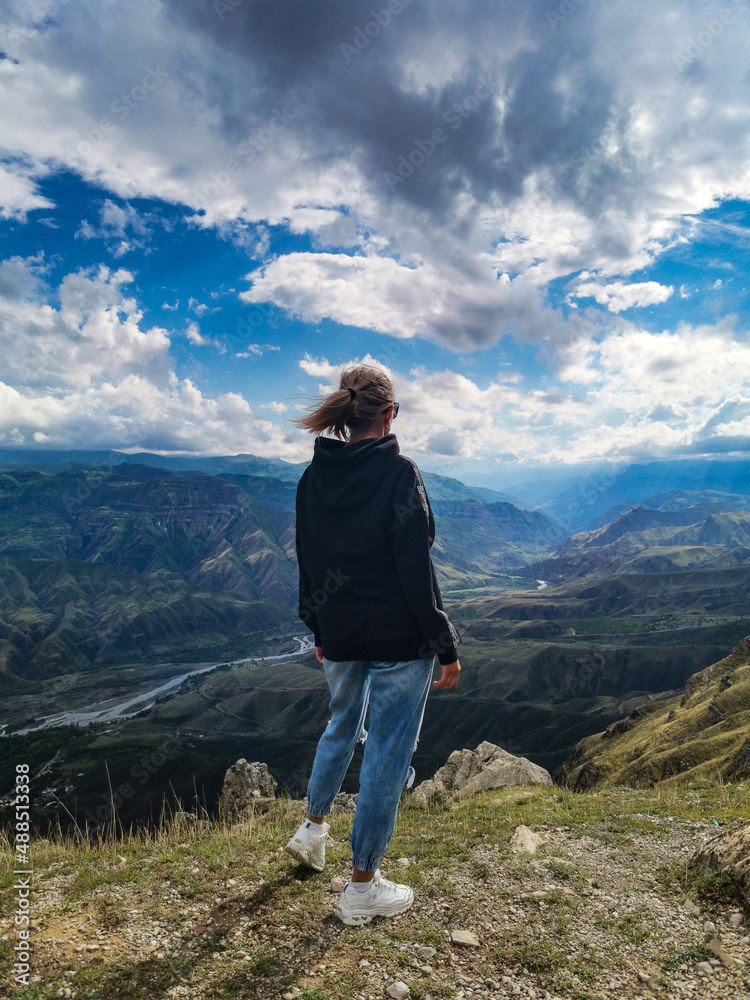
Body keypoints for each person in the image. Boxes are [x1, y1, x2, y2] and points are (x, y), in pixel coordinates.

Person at [282, 364, 461, 925]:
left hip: (339, 634)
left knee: (340, 723)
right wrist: (444, 641)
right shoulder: (399, 474)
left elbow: (308, 561)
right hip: (398, 639)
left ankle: (313, 831)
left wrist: (319, 629)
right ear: (389, 414)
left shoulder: (313, 479)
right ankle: (362, 887)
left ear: (343, 413)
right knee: (387, 752)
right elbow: (415, 567)